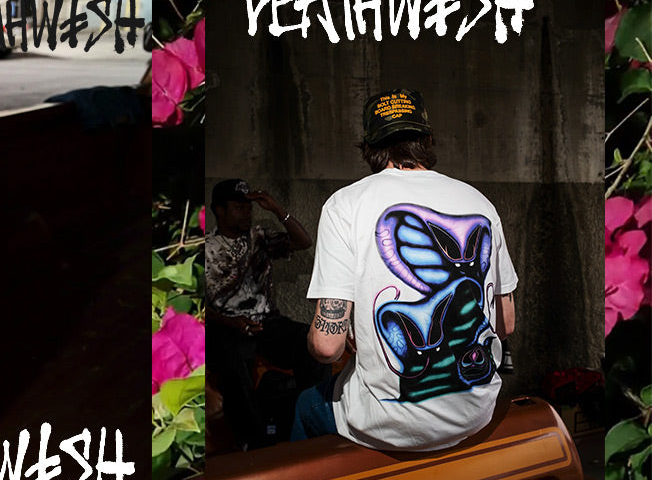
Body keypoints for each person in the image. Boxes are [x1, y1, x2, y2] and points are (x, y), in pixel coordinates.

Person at [295, 89, 516, 451]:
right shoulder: (480, 202)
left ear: (368, 146)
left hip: (388, 423)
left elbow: (326, 347)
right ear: (427, 139)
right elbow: (506, 325)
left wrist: (338, 336)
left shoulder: (344, 205)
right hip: (476, 413)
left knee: (307, 404)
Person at [203, 178, 315, 448]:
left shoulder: (259, 237)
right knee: (232, 357)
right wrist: (230, 321)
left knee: (309, 340)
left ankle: (310, 419)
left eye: (248, 207)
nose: (246, 213)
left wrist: (277, 209)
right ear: (219, 210)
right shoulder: (205, 248)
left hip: (267, 323)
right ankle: (253, 441)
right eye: (238, 207)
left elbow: (303, 242)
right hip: (225, 326)